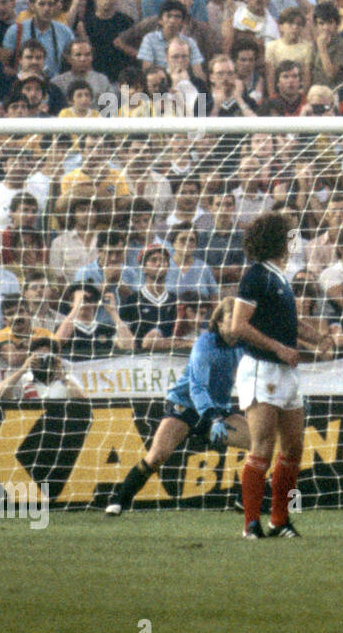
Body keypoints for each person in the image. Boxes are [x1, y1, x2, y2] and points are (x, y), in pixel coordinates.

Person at [105, 298, 249, 515]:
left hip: (218, 410)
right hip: (186, 407)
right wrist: (214, 417)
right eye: (231, 319)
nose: (236, 324)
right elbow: (197, 388)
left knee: (261, 444)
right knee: (157, 456)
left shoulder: (244, 345)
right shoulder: (205, 344)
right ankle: (119, 501)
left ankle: (245, 500)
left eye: (240, 319)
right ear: (219, 321)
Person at [232, 211, 323, 540]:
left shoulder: (280, 277)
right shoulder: (255, 275)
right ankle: (250, 524)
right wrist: (279, 349)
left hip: (285, 371)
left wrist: (317, 337)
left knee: (295, 447)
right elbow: (238, 326)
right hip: (261, 368)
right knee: (263, 446)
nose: (292, 240)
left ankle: (281, 519)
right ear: (277, 239)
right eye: (288, 235)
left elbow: (285, 323)